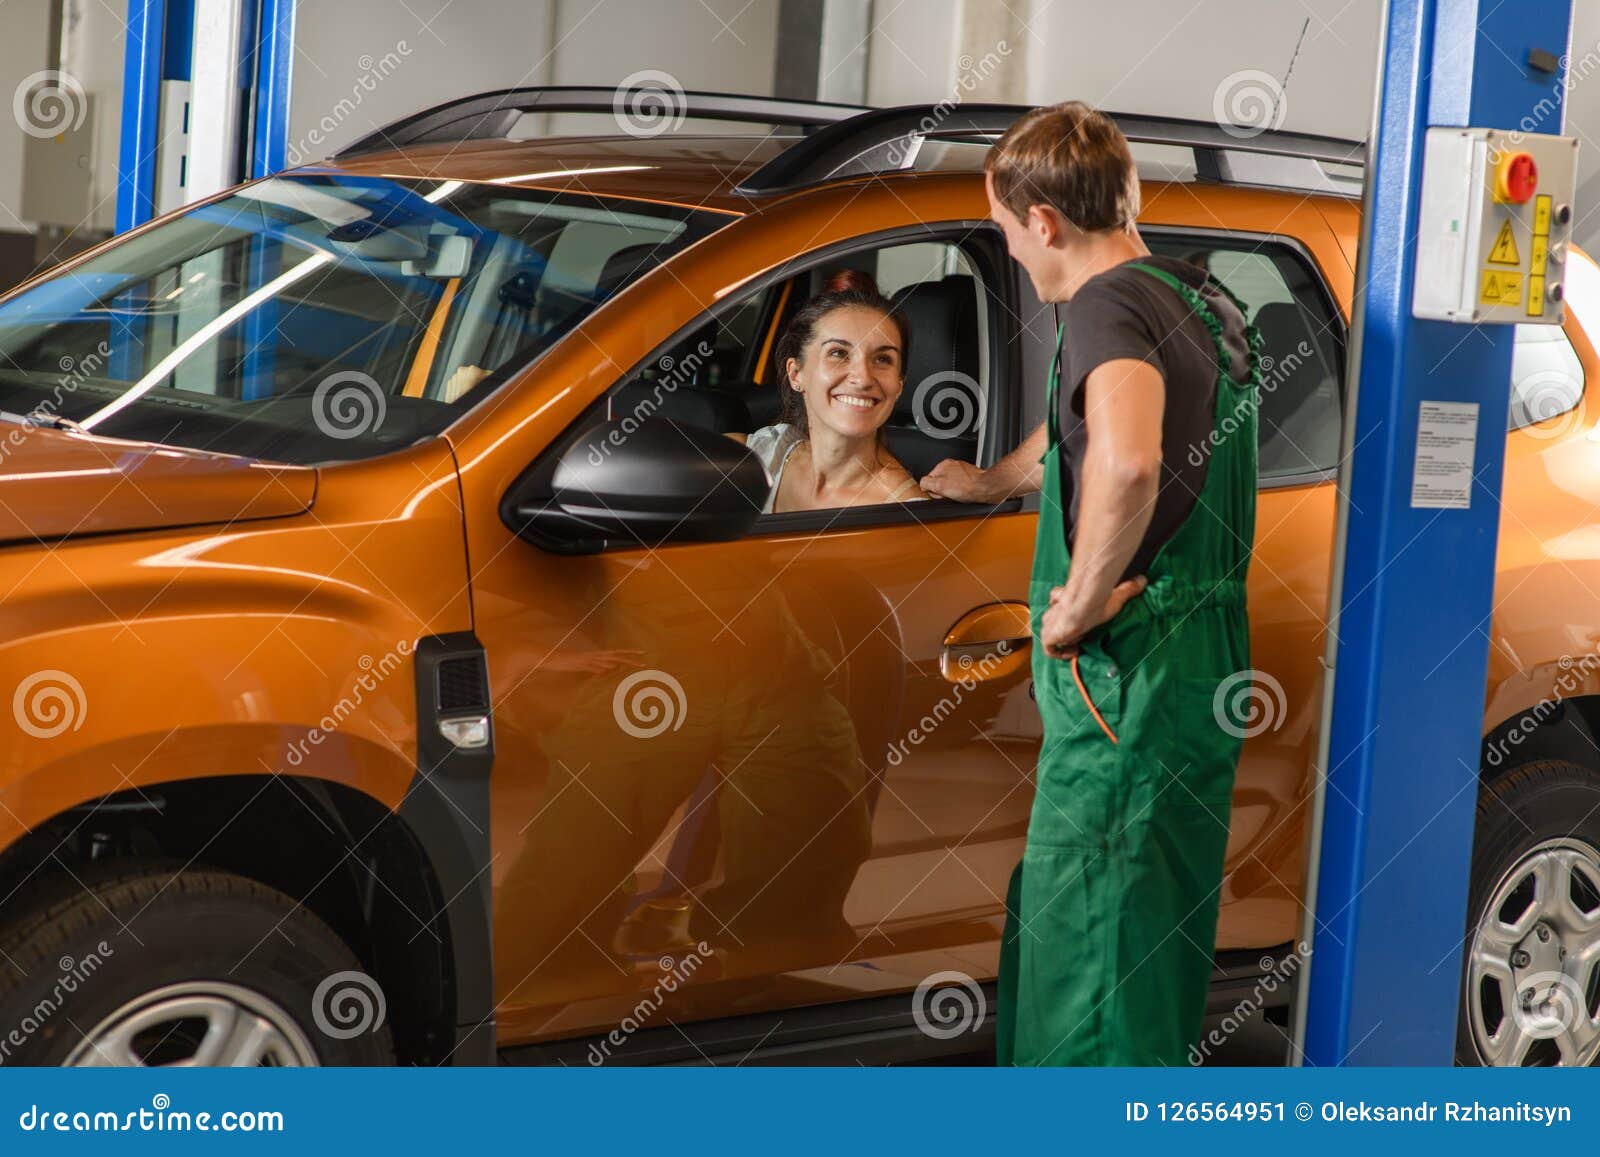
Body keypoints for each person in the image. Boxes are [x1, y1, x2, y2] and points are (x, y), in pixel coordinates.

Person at [921, 102, 1261, 1065]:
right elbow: (1089, 429)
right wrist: (999, 478)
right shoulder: (1193, 295)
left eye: (1004, 229)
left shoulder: (1106, 306)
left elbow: (1126, 464)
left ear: (1043, 221)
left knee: (1090, 967)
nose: (1014, 254)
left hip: (1127, 667)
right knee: (1144, 945)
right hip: (1197, 660)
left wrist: (1071, 605)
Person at [742, 270, 928, 512]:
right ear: (796, 373)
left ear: (899, 384)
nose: (862, 378)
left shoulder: (910, 514)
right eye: (838, 353)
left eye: (882, 359)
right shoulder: (766, 455)